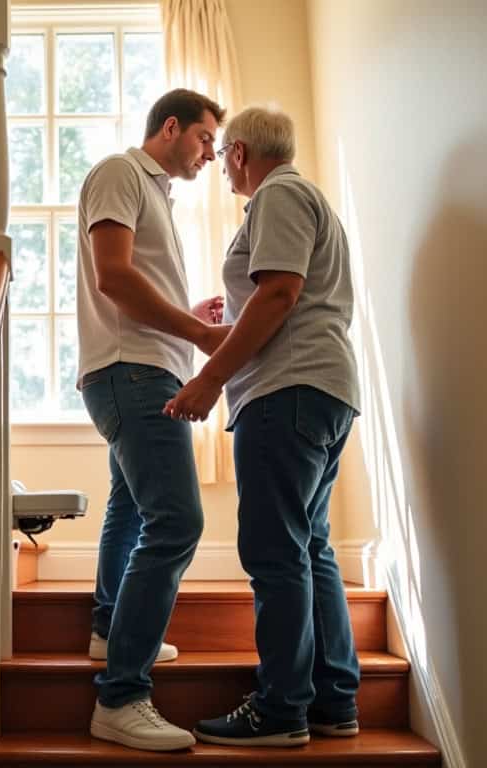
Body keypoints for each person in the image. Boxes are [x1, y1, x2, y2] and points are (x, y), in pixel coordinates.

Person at [163, 105, 363, 747]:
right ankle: (333, 701)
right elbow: (279, 296)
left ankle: (281, 709)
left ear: (242, 152)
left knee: (276, 553)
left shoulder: (277, 195)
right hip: (323, 391)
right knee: (311, 548)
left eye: (223, 155)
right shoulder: (305, 198)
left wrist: (210, 378)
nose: (220, 166)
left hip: (287, 395)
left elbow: (279, 293)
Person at [75, 88, 228, 752]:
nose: (210, 155)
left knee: (132, 511)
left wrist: (188, 311)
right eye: (204, 140)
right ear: (171, 127)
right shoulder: (120, 172)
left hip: (141, 365)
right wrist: (197, 331)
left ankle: (112, 632)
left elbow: (135, 284)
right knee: (177, 520)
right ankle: (122, 695)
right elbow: (113, 277)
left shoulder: (154, 195)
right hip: (131, 370)